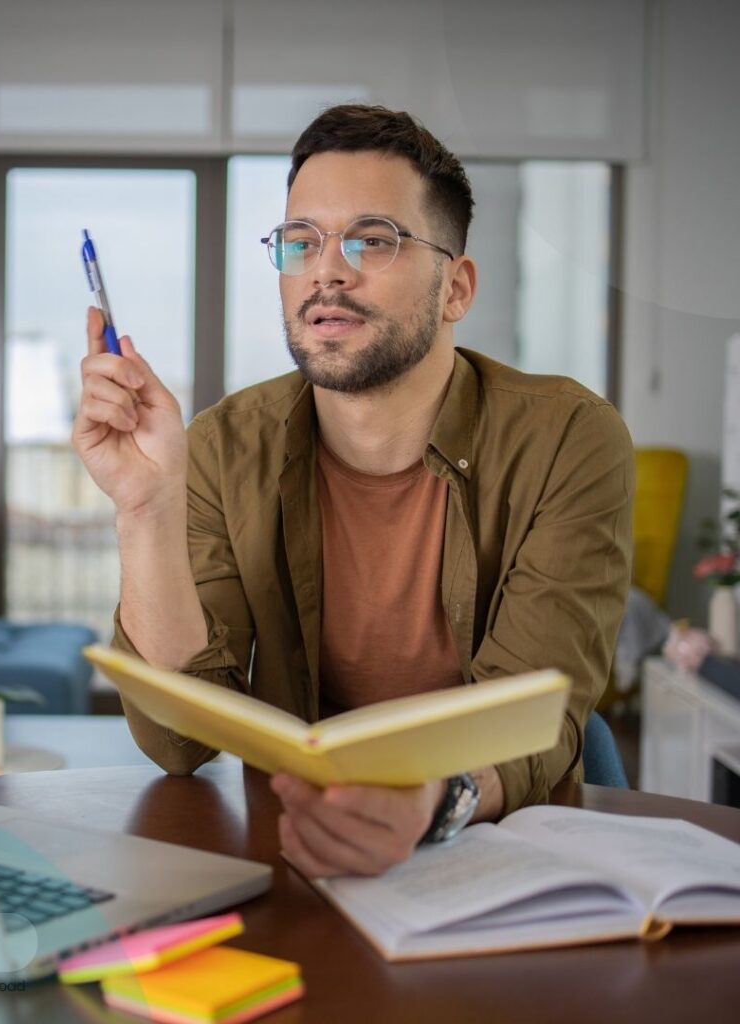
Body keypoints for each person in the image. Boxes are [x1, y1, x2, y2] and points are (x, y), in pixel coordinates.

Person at [72, 104, 633, 878]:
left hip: (498, 845)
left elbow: (539, 714)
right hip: (303, 845)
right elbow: (178, 740)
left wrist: (428, 804)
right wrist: (145, 508)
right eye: (300, 242)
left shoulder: (569, 436)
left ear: (455, 289)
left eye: (373, 239)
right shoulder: (222, 446)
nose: (326, 270)